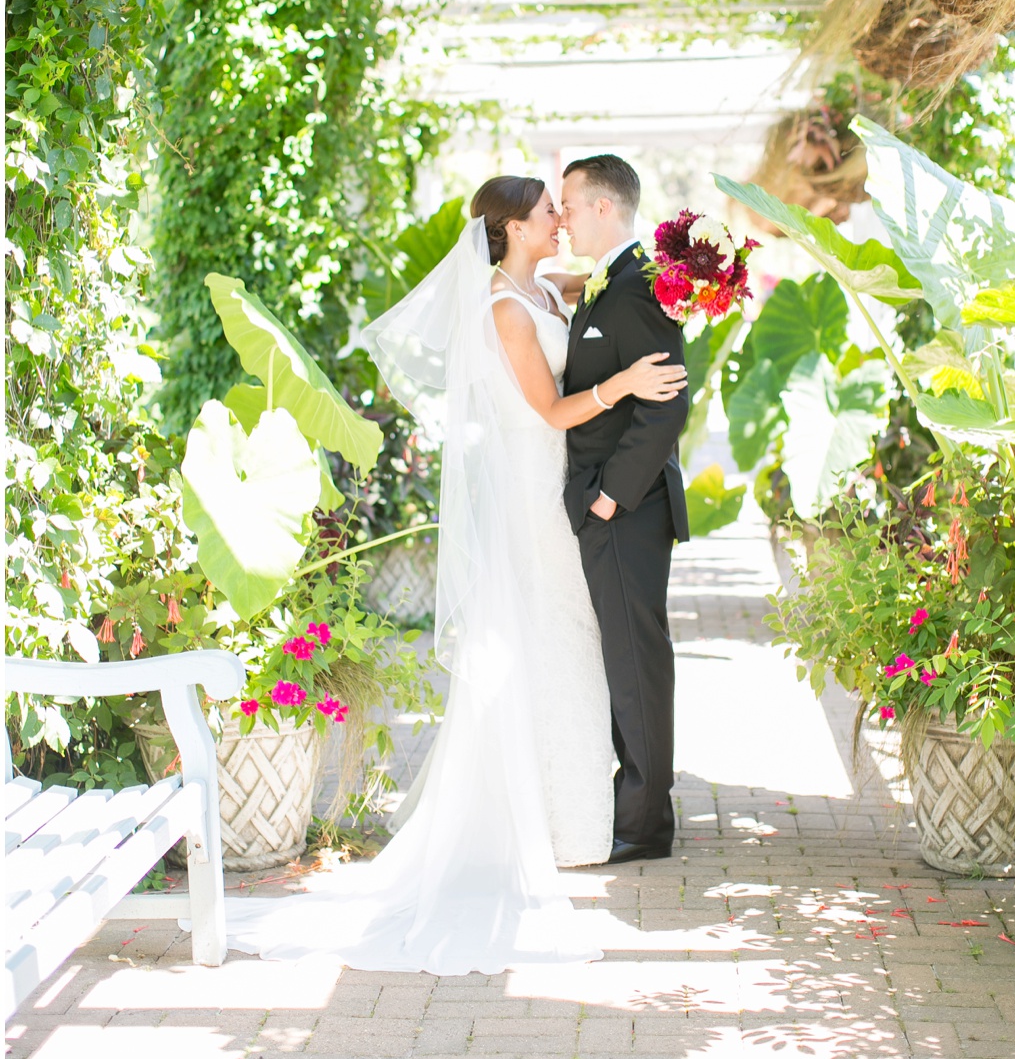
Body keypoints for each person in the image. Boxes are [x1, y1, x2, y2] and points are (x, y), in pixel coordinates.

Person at [221, 177, 685, 974]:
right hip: (537, 488)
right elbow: (550, 409)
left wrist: (676, 272)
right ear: (510, 227)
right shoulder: (504, 310)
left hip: (560, 487)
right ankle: (559, 823)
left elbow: (612, 279)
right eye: (546, 208)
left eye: (562, 204)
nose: (558, 215)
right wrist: (628, 384)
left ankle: (576, 814)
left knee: (572, 640)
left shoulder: (540, 285)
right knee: (554, 637)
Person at [556, 153, 693, 865]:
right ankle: (640, 806)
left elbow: (668, 403)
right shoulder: (607, 286)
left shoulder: (638, 286)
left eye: (570, 204)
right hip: (616, 507)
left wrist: (611, 495)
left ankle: (642, 823)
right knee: (627, 656)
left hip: (626, 510)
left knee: (637, 660)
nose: (564, 216)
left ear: (604, 207)